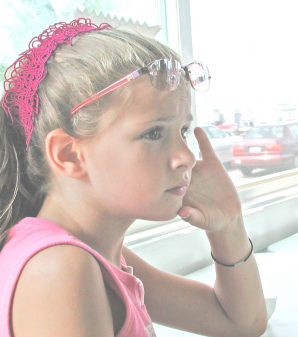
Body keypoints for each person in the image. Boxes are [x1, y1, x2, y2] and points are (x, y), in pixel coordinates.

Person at [0, 18, 267, 337]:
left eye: (183, 131)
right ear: (69, 155)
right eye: (154, 133)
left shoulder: (96, 252)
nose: (187, 157)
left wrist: (229, 224)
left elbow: (239, 323)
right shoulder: (59, 267)